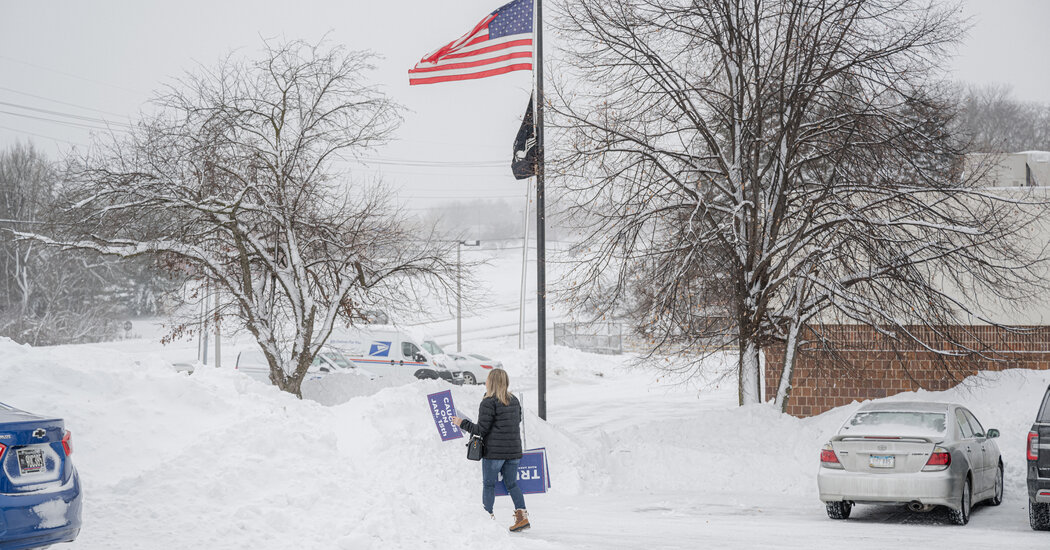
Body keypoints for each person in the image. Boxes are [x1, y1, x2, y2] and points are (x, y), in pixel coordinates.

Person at [451, 368, 530, 532]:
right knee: (512, 484)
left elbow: (480, 430)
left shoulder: (488, 402)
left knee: (488, 485)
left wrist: (461, 422)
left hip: (494, 453)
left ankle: (487, 518)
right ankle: (522, 517)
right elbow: (517, 420)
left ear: (491, 382)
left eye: (487, 379)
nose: (485, 382)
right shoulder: (514, 400)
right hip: (514, 451)